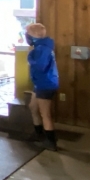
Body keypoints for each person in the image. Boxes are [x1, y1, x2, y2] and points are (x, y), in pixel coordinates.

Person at [25, 23, 59, 151]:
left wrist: (30, 56)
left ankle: (50, 142)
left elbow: (40, 66)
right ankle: (39, 134)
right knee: (33, 107)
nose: (26, 36)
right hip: (40, 83)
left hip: (45, 83)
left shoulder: (42, 49)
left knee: (45, 114)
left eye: (27, 34)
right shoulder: (41, 47)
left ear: (33, 36)